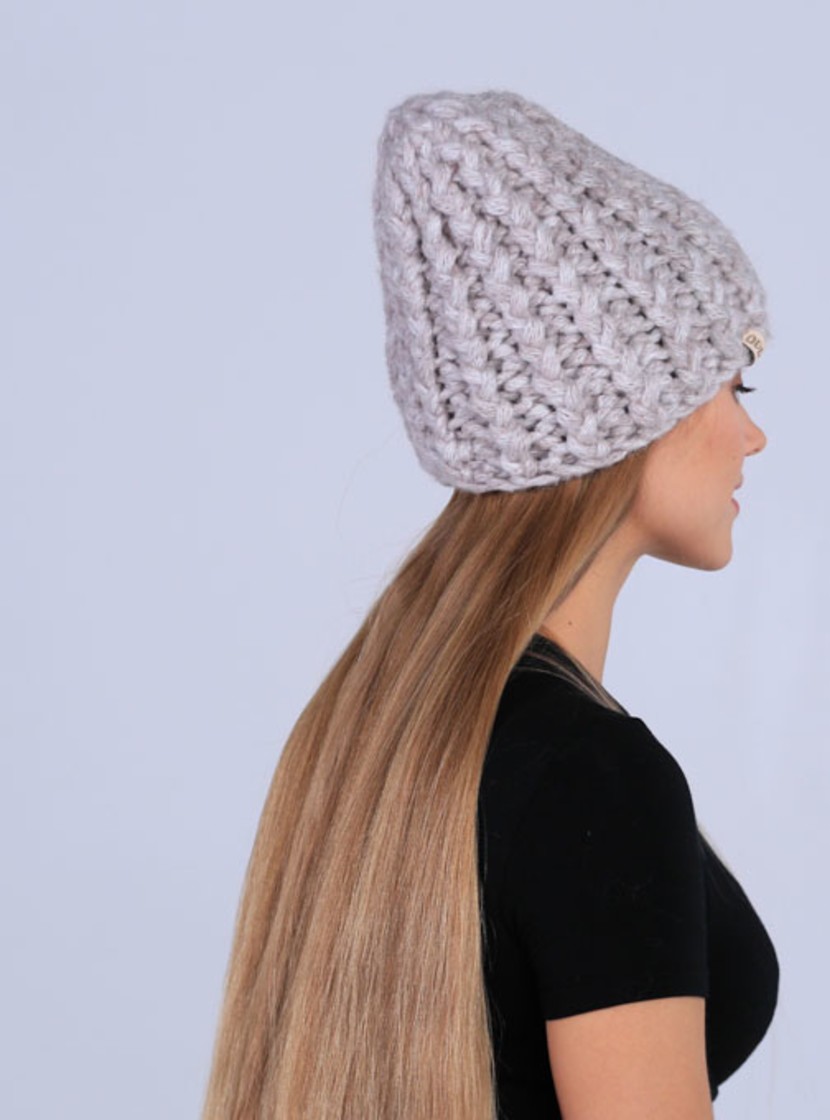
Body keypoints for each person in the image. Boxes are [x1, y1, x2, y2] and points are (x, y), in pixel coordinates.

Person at [201, 89, 778, 1120]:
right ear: (630, 408)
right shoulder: (597, 779)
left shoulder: (368, 734)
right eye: (735, 385)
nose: (751, 435)